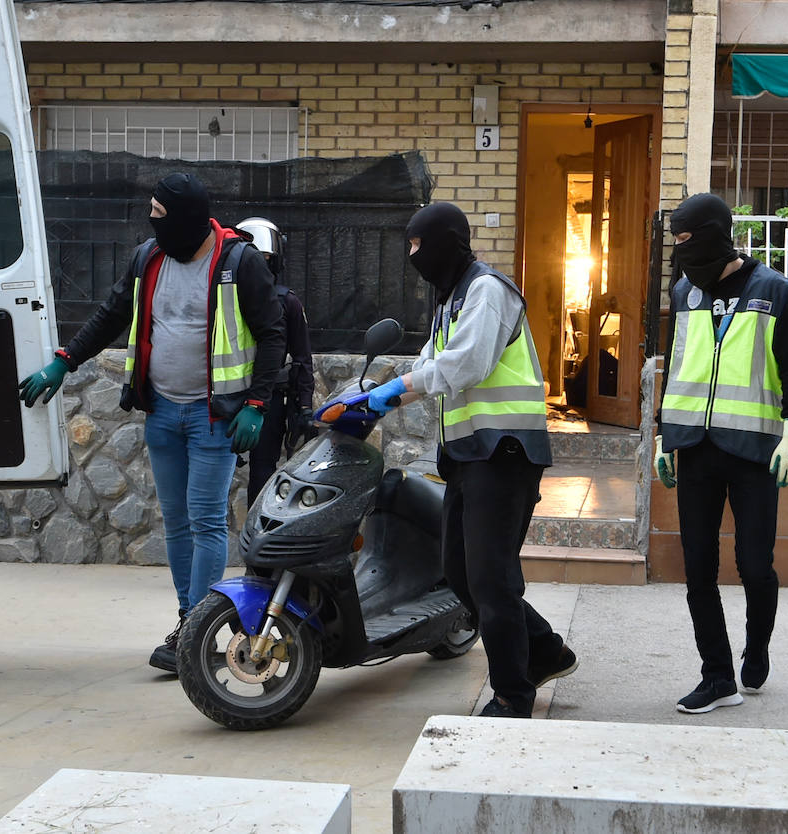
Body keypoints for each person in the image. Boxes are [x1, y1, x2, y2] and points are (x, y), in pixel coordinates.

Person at [17, 173, 285, 673]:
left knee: (206, 520)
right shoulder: (149, 258)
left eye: (161, 217)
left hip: (214, 416)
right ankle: (190, 620)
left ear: (187, 218)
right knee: (177, 523)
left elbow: (274, 335)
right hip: (161, 411)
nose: (153, 226)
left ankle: (200, 629)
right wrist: (64, 360)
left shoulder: (238, 262)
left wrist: (256, 405)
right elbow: (111, 314)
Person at [365, 202, 576, 719]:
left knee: (490, 579)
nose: (413, 255)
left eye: (419, 245)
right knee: (459, 575)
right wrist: (372, 395)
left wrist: (400, 387)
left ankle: (511, 695)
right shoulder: (450, 299)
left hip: (504, 452)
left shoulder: (487, 290)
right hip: (467, 454)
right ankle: (546, 651)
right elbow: (430, 365)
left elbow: (467, 363)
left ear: (445, 242)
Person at [655, 193, 788, 714]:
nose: (683, 256)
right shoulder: (685, 293)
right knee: (697, 566)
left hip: (753, 451)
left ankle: (758, 644)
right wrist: (663, 434)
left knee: (754, 565)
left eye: (689, 242)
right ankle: (717, 676)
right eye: (675, 245)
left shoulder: (772, 290)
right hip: (695, 447)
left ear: (719, 236)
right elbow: (677, 366)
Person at [234, 217, 317, 506]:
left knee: (263, 472)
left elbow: (302, 357)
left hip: (267, 398)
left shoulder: (287, 302)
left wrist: (305, 406)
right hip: (225, 394)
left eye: (264, 258)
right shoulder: (224, 295)